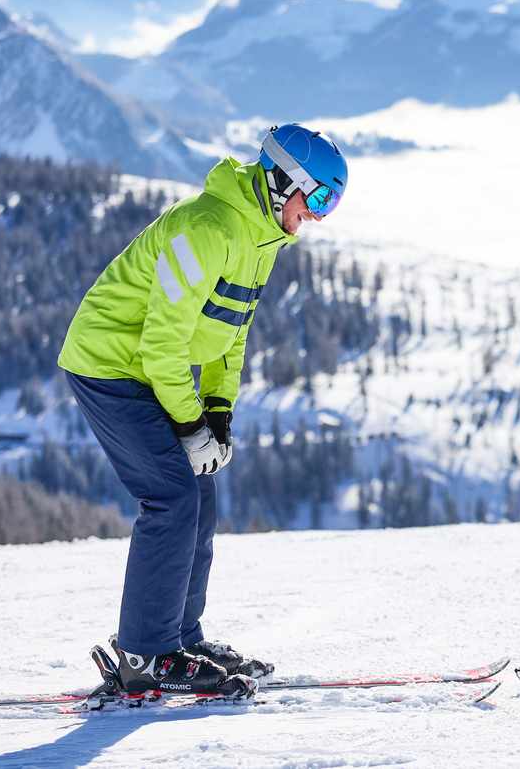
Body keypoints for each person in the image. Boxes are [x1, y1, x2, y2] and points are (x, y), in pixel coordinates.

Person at [58, 124, 348, 699]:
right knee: (171, 496)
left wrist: (217, 413)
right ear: (282, 181)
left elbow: (230, 334)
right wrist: (190, 427)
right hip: (109, 363)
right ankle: (145, 654)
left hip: (150, 369)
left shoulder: (262, 236)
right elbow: (162, 344)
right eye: (317, 198)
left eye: (330, 204)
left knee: (199, 490)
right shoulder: (208, 228)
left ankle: (179, 637)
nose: (317, 215)